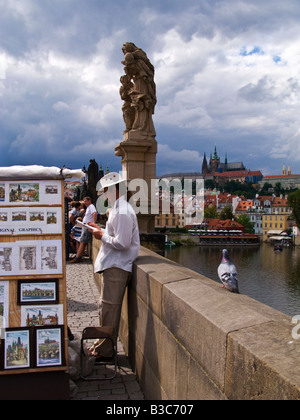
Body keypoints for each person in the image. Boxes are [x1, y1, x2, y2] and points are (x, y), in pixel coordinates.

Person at [87, 172, 140, 357]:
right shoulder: (119, 209)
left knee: (109, 310)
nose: (103, 196)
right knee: (106, 309)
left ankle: (106, 350)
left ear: (116, 190)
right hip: (113, 265)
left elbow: (123, 243)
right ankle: (102, 345)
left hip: (118, 266)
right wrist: (101, 231)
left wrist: (101, 236)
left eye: (105, 192)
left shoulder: (122, 211)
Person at [70, 196, 97, 263]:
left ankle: (77, 257)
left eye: (85, 201)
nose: (84, 203)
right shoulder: (89, 207)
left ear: (89, 200)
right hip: (85, 226)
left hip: (87, 226)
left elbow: (95, 213)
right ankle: (79, 257)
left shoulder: (91, 206)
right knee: (83, 242)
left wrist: (94, 223)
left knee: (82, 242)